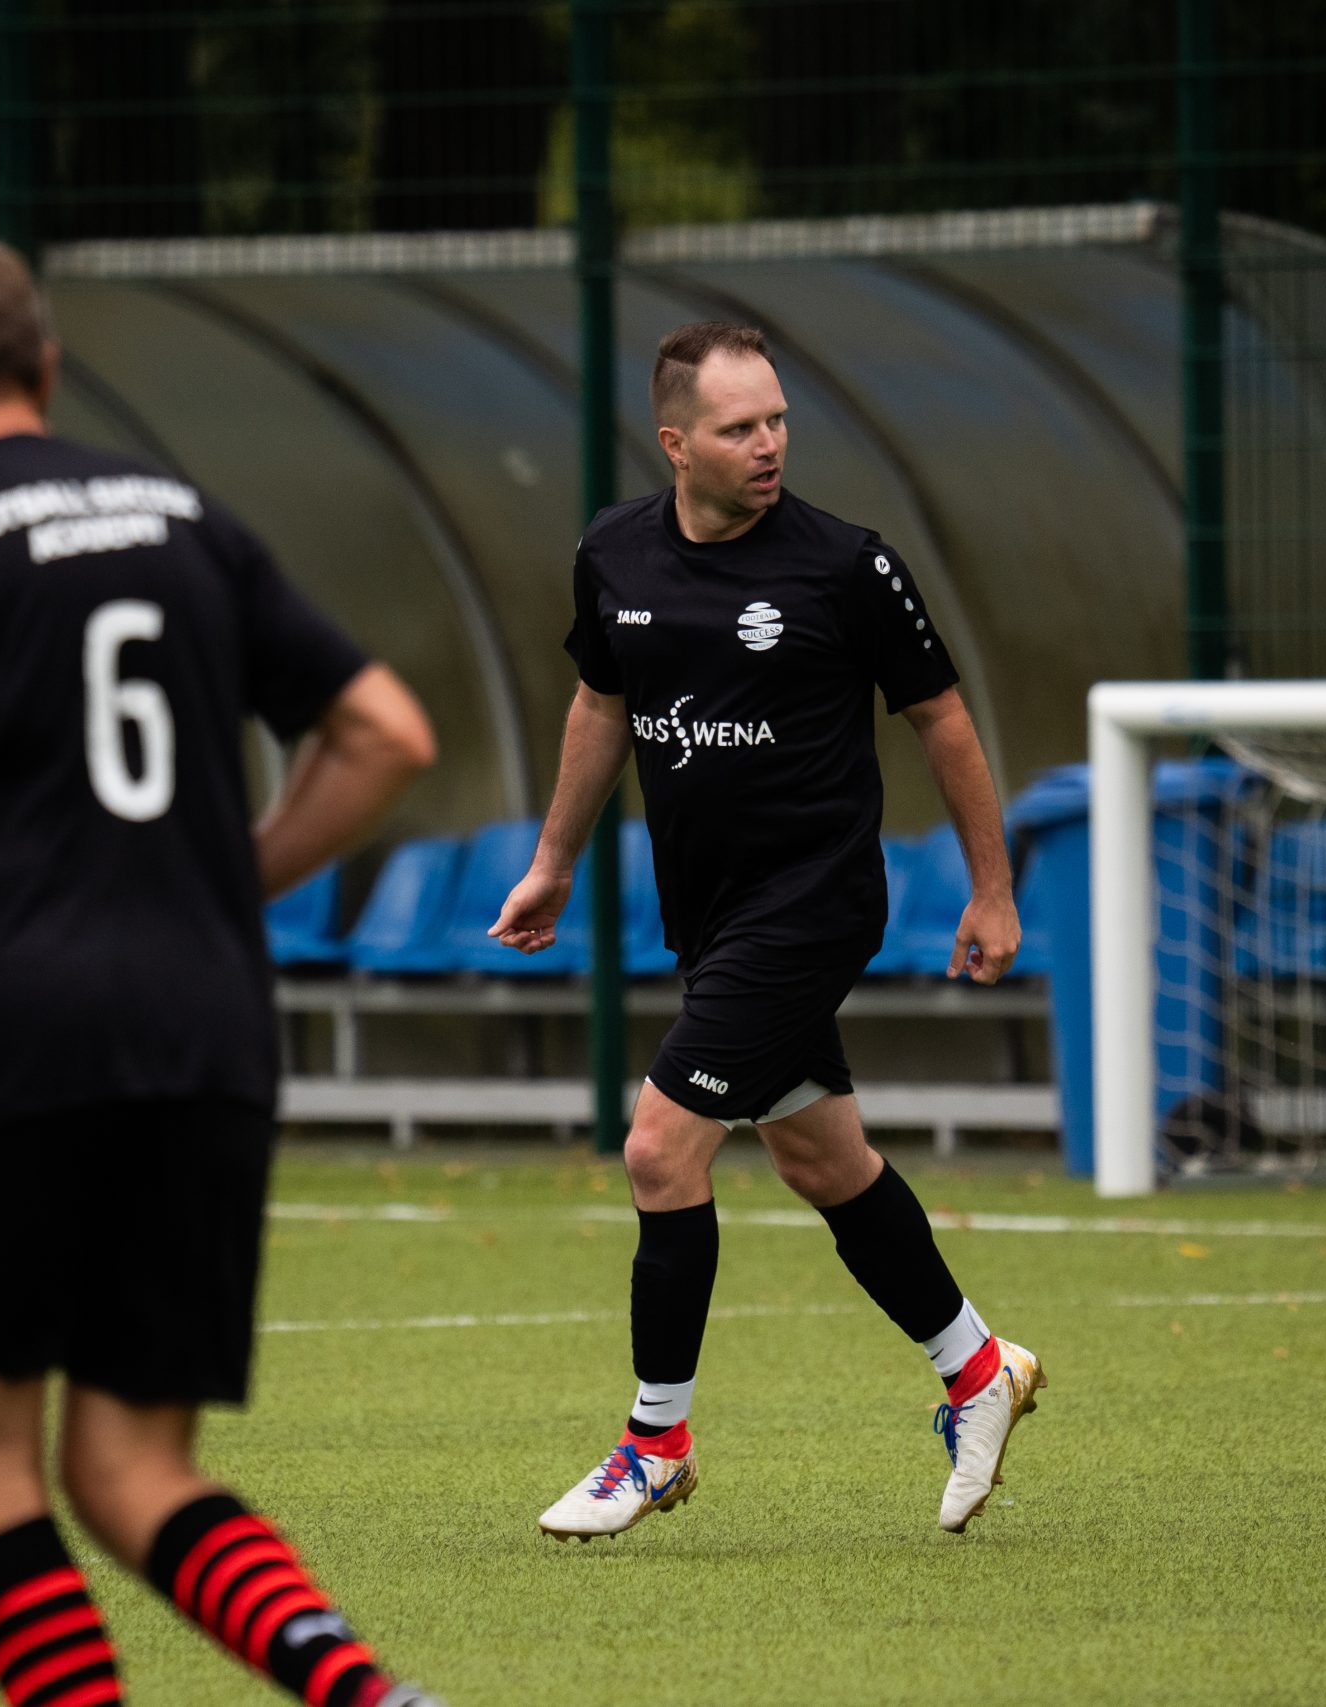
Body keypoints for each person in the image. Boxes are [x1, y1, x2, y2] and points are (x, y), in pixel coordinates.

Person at [0, 233, 442, 1707]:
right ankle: (364, 1694)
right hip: (200, 1028)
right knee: (133, 1468)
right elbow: (388, 732)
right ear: (47, 368)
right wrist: (230, 874)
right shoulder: (183, 516)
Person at [491, 320, 1045, 1541]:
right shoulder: (614, 552)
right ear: (675, 441)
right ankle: (976, 1370)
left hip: (814, 905)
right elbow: (601, 704)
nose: (769, 444)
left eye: (779, 420)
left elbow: (942, 719)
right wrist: (552, 863)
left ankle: (654, 1445)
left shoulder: (846, 566)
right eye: (739, 427)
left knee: (658, 1150)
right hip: (711, 914)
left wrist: (992, 889)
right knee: (819, 1160)